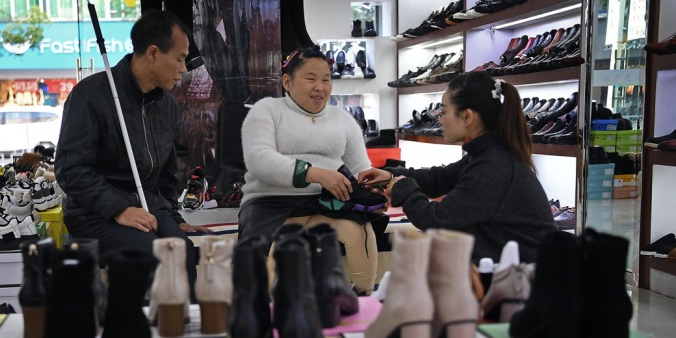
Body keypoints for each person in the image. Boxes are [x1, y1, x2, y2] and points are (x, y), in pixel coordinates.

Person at [54, 11, 212, 290]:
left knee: (180, 250)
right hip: (93, 213)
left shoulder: (166, 105)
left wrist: (174, 219)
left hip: (147, 206)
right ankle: (138, 317)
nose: (183, 68)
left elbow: (166, 177)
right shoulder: (90, 95)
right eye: (179, 58)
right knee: (148, 252)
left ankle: (183, 315)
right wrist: (119, 209)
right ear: (153, 53)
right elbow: (71, 169)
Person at [359, 72, 557, 263]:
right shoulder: (486, 155)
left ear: (467, 117)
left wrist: (403, 188)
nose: (439, 119)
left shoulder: (493, 167)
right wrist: (390, 175)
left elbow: (437, 220)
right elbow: (440, 178)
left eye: (444, 111)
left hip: (531, 279)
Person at [239, 45, 379, 294]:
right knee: (259, 273)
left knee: (361, 229)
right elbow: (258, 159)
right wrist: (313, 173)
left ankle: (362, 296)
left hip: (325, 204)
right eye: (311, 79)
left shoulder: (343, 119)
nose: (320, 87)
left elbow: (361, 169)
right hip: (269, 204)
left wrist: (376, 189)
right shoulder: (267, 110)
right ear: (287, 82)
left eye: (326, 79)